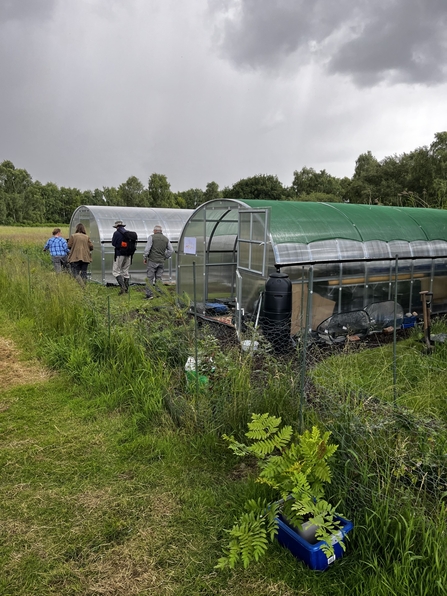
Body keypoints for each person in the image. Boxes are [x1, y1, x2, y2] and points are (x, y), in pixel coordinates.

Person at [143, 225, 174, 299]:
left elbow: (147, 249)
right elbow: (171, 250)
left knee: (150, 278)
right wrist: (165, 257)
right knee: (159, 278)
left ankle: (149, 295)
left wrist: (145, 257)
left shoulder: (151, 237)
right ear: (161, 231)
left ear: (154, 231)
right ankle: (159, 294)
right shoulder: (166, 239)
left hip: (153, 261)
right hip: (161, 261)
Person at [111, 220, 130, 295]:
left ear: (116, 227)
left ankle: (123, 287)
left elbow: (113, 243)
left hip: (119, 254)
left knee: (116, 271)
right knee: (125, 271)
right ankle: (126, 289)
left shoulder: (116, 233)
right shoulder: (128, 233)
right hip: (128, 254)